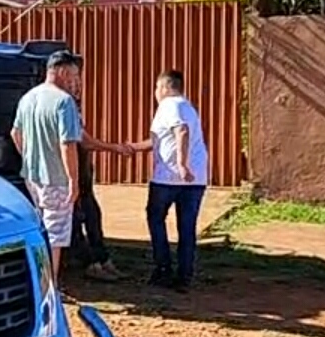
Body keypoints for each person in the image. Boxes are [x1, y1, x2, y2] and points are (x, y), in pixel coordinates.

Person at [11, 50, 83, 281]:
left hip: (32, 175)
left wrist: (29, 157)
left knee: (39, 229)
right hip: (56, 177)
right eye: (73, 74)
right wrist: (73, 179)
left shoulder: (28, 97)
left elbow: (15, 133)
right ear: (61, 71)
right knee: (55, 236)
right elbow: (67, 143)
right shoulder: (64, 102)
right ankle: (48, 285)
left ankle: (36, 279)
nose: (75, 80)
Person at [134, 70, 208, 290]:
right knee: (187, 227)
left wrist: (181, 164)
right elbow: (160, 139)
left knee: (155, 217)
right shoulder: (187, 107)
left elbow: (181, 132)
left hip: (170, 177)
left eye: (157, 88)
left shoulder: (169, 105)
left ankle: (163, 269)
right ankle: (184, 276)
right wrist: (131, 147)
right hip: (195, 179)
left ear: (164, 87)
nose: (156, 93)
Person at [65, 60, 126, 281]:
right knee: (79, 216)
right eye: (73, 79)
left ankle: (102, 259)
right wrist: (112, 148)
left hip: (84, 173)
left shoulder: (74, 104)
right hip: (72, 173)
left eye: (78, 79)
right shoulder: (64, 104)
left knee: (92, 214)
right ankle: (92, 262)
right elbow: (82, 140)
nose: (77, 83)